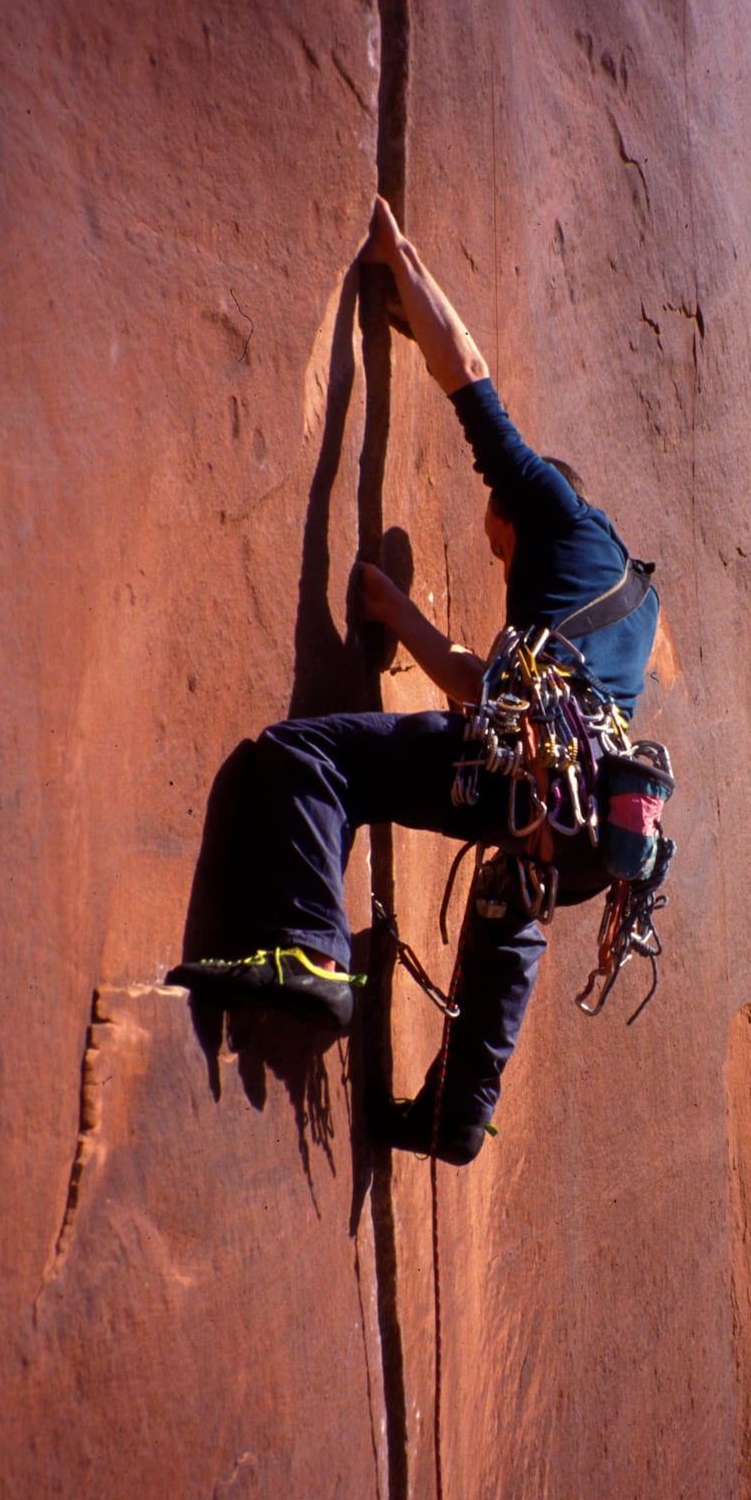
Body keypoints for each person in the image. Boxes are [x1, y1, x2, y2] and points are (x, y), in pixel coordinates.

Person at [169, 196, 661, 1163]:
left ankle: (310, 955)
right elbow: (497, 689)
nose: (494, 545)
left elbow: (467, 372)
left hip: (531, 772)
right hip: (593, 818)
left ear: (513, 511)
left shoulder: (552, 507)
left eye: (493, 536)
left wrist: (406, 265)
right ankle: (456, 1114)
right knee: (509, 907)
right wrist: (399, 618)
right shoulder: (628, 606)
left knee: (304, 759)